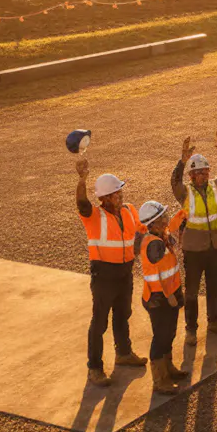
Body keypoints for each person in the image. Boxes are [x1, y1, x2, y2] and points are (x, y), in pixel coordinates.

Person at [75, 158, 146, 387]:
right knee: (100, 322)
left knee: (123, 314)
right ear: (104, 199)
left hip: (125, 272)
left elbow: (139, 233)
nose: (121, 196)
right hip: (104, 275)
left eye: (120, 192)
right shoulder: (94, 216)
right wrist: (82, 180)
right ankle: (94, 367)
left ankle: (123, 353)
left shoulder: (128, 211)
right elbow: (82, 203)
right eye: (116, 193)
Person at [169, 132, 217, 345]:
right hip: (194, 250)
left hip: (214, 247)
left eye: (206, 171)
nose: (204, 175)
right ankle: (191, 329)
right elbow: (174, 181)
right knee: (192, 291)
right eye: (199, 172)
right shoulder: (185, 193)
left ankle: (215, 321)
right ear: (191, 176)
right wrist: (182, 161)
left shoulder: (216, 186)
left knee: (214, 287)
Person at [136, 200, 186, 393]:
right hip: (159, 297)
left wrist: (180, 216)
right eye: (163, 217)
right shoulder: (154, 244)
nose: (166, 220)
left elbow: (170, 230)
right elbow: (156, 276)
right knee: (161, 336)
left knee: (170, 333)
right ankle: (159, 380)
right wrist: (168, 296)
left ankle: (168, 368)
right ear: (153, 224)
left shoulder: (160, 236)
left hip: (168, 294)